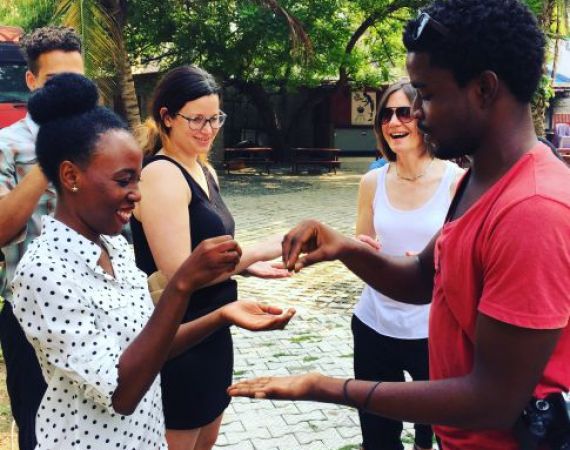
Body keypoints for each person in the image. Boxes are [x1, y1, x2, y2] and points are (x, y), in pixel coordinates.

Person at [229, 1, 570, 449]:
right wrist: (345, 248)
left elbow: (493, 400)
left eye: (426, 94)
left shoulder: (533, 210)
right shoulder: (480, 178)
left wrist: (325, 387)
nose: (418, 113)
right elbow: (424, 278)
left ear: (485, 89)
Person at [11, 72, 295, 450]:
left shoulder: (116, 250)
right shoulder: (44, 271)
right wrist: (182, 283)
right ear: (70, 176)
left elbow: (153, 342)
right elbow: (120, 393)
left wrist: (223, 315)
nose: (136, 195)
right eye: (124, 180)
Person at [131, 65, 289, 450]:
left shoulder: (202, 169)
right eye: (196, 119)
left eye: (215, 118)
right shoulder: (161, 175)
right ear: (166, 118)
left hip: (216, 328)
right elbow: (183, 272)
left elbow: (210, 243)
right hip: (178, 339)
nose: (208, 129)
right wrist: (268, 245)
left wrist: (248, 266)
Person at [354, 79, 463, 450]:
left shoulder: (456, 181)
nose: (393, 122)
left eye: (404, 112)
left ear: (423, 116)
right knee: (378, 436)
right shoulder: (371, 181)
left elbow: (465, 263)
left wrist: (426, 266)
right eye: (386, 114)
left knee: (441, 430)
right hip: (373, 325)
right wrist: (364, 251)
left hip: (431, 331)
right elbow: (362, 246)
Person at [0, 26, 84, 450]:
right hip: (29, 323)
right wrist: (51, 158)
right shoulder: (6, 146)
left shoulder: (101, 140)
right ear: (32, 82)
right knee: (38, 434)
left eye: (77, 82)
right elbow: (1, 229)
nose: (68, 94)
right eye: (56, 83)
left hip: (96, 313)